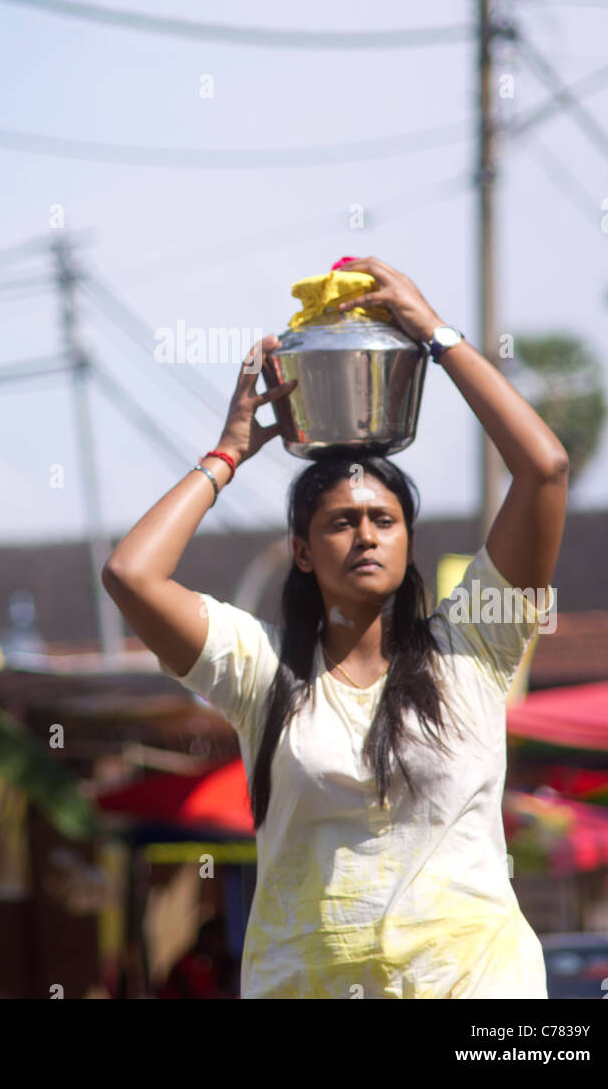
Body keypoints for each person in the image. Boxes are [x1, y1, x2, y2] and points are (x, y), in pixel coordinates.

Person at [102, 256, 568, 999]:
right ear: (300, 549)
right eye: (339, 522)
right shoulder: (259, 671)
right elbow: (130, 575)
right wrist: (227, 453)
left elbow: (542, 469)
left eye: (383, 520)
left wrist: (432, 333)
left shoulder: (476, 644)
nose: (365, 536)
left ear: (408, 539)